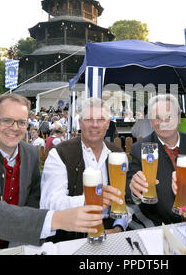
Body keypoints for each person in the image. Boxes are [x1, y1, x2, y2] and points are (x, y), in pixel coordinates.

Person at [0, 94, 122, 255]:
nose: (14, 128)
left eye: (21, 122)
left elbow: (33, 200)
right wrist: (59, 219)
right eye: (6, 120)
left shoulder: (29, 153)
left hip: (9, 247)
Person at [40, 97, 126, 242]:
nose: (94, 125)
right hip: (71, 235)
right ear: (80, 123)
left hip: (111, 231)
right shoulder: (60, 153)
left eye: (100, 120)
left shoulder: (118, 154)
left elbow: (123, 199)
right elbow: (49, 203)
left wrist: (119, 227)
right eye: (88, 119)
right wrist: (90, 200)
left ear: (108, 124)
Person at [127, 94, 186, 227]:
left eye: (169, 116)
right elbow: (128, 192)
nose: (163, 122)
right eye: (157, 118)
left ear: (179, 118)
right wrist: (134, 189)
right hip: (161, 224)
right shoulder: (139, 149)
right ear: (151, 122)